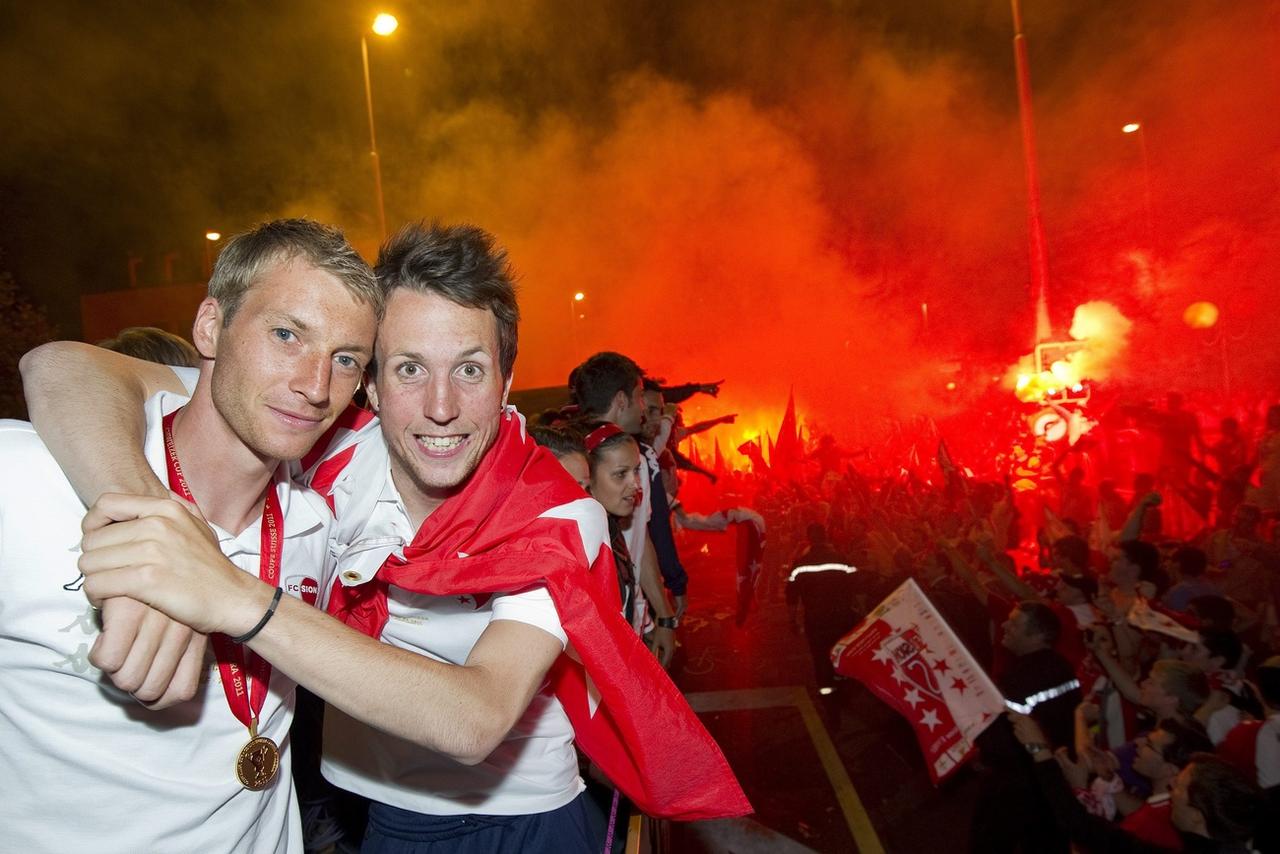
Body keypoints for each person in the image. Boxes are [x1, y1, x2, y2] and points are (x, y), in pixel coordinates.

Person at [22, 222, 749, 852]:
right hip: (371, 815)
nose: (440, 408)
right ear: (369, 382)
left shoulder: (555, 513)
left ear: (507, 378)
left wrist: (230, 594)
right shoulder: (319, 436)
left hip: (520, 822)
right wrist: (154, 526)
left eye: (469, 369)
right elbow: (66, 365)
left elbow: (476, 718)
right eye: (409, 369)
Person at [1, 218, 382, 851]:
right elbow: (63, 367)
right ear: (209, 327)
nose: (316, 386)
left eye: (346, 361)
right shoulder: (28, 476)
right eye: (286, 334)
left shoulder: (322, 519)